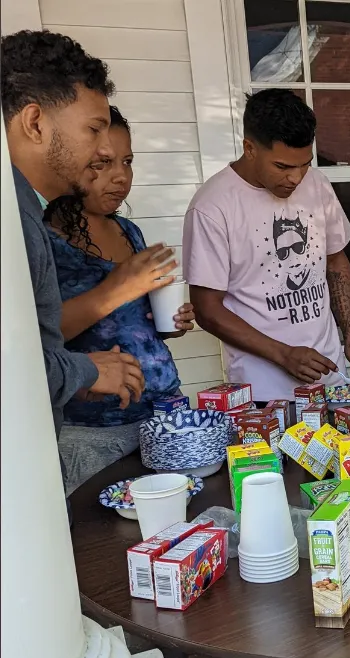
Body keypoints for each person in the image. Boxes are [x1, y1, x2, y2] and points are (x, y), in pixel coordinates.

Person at [2, 30, 145, 482]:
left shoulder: (25, 209)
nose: (105, 149)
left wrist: (76, 380)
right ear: (35, 123)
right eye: (94, 129)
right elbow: (13, 368)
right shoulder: (13, 221)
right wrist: (84, 370)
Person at [183, 88, 350, 402]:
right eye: (283, 167)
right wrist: (284, 354)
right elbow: (207, 310)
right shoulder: (212, 206)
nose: (296, 178)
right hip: (263, 393)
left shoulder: (317, 183)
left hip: (330, 379)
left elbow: (336, 261)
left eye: (304, 164)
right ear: (250, 148)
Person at [45, 106, 196, 492]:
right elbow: (40, 333)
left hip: (165, 413)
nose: (120, 176)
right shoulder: (46, 240)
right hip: (95, 432)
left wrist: (170, 323)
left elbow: (135, 321)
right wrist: (120, 288)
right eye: (103, 163)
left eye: (127, 162)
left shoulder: (128, 231)